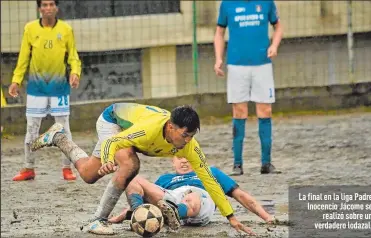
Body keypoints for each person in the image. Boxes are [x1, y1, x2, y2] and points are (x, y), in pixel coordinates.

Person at [30, 103, 254, 235]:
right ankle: (97, 220)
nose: (187, 141)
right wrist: (109, 160)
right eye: (185, 135)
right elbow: (112, 142)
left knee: (88, 175)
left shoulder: (190, 147)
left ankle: (58, 138)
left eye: (192, 136)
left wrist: (230, 217)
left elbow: (209, 180)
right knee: (130, 164)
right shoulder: (148, 130)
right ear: (170, 127)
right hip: (112, 120)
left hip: (125, 133)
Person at [9, 0, 81, 181]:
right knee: (32, 129)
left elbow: (73, 57)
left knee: (63, 128)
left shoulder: (66, 30)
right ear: (39, 8)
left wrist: (75, 73)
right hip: (36, 88)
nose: (48, 8)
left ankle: (67, 168)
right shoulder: (30, 29)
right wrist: (16, 80)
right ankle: (28, 168)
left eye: (51, 4)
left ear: (56, 8)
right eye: (44, 5)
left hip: (59, 88)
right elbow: (23, 57)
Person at [109, 156, 277, 229]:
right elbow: (146, 197)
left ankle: (172, 214)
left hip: (200, 199)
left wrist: (266, 216)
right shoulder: (165, 178)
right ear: (173, 161)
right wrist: (128, 211)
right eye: (179, 157)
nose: (184, 161)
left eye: (187, 157)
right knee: (133, 179)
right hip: (171, 196)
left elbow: (241, 195)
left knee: (192, 197)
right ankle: (139, 215)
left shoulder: (209, 172)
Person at [214, 0, 283, 175]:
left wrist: (274, 46)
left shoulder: (266, 3)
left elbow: (278, 27)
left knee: (265, 110)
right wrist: (218, 58)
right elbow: (219, 33)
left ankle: (266, 163)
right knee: (239, 111)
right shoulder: (227, 4)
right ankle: (237, 164)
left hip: (262, 64)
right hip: (237, 65)